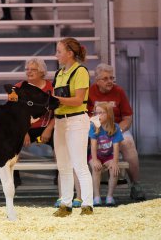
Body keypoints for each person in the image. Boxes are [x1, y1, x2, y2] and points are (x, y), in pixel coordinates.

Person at [87, 63, 146, 201]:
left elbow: (128, 118)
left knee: (128, 143)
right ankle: (81, 188)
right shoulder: (89, 91)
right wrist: (98, 127)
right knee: (80, 141)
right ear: (97, 81)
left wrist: (116, 130)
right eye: (106, 78)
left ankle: (135, 184)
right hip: (95, 128)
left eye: (112, 78)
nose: (110, 81)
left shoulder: (119, 91)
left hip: (115, 127)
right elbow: (84, 115)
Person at [52, 37, 93, 217]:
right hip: (60, 121)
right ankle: (65, 204)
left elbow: (78, 100)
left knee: (79, 164)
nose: (56, 55)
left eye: (59, 51)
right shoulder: (59, 74)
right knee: (63, 165)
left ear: (70, 53)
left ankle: (87, 205)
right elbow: (56, 101)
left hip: (76, 120)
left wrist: (56, 100)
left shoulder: (81, 71)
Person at [14, 58, 55, 188]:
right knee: (11, 140)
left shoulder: (52, 88)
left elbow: (59, 113)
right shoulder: (17, 88)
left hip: (46, 129)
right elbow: (13, 113)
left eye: (33, 69)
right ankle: (13, 179)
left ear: (42, 72)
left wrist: (48, 129)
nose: (29, 72)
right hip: (25, 129)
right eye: (27, 69)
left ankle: (60, 178)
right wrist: (24, 131)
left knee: (60, 140)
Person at [89, 102, 124, 206]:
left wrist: (115, 162)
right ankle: (96, 196)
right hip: (96, 155)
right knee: (96, 168)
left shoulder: (115, 128)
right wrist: (95, 160)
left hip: (109, 156)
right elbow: (93, 145)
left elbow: (116, 146)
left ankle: (109, 196)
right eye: (96, 113)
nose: (97, 115)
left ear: (108, 114)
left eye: (101, 113)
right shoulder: (93, 127)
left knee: (114, 169)